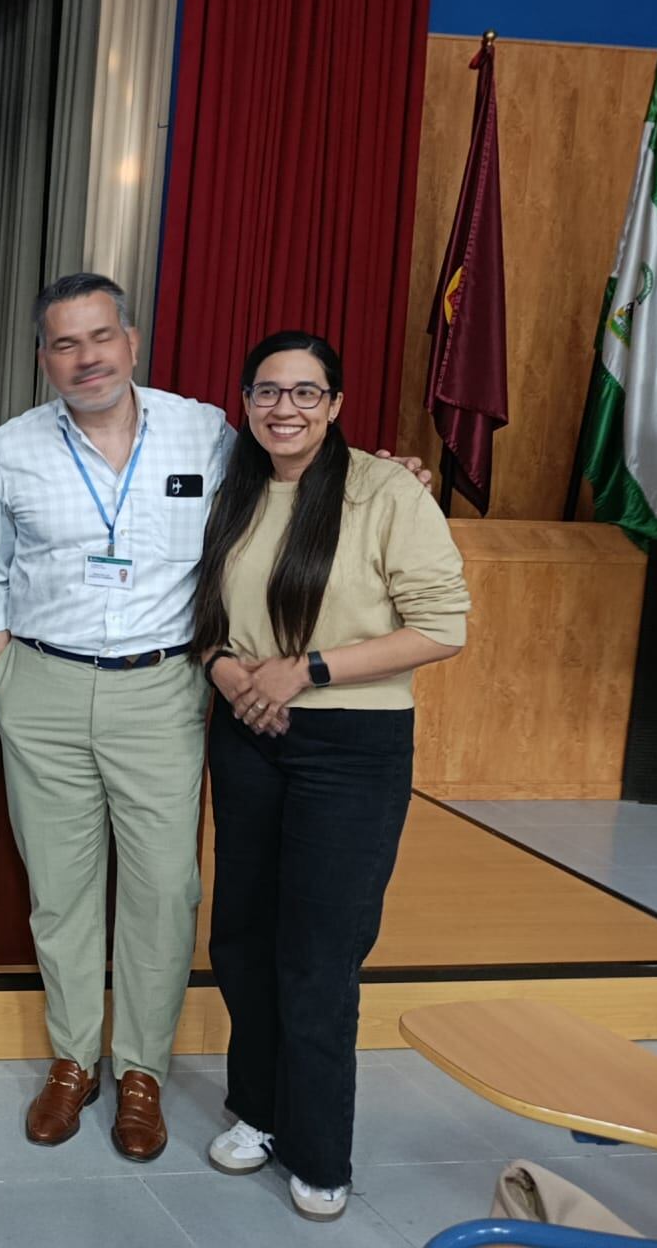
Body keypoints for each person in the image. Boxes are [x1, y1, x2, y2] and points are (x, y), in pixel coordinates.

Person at [0, 272, 427, 1164]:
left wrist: (390, 470)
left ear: (130, 342)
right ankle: (73, 1062)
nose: (85, 357)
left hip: (164, 689)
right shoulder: (13, 448)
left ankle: (140, 1069)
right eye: (64, 343)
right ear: (43, 359)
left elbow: (299, 475)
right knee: (59, 892)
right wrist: (2, 670)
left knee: (163, 889)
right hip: (45, 686)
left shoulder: (204, 431)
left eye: (100, 337)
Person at [193, 332, 467, 1222]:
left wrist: (302, 671)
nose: (285, 409)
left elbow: (442, 626)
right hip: (246, 736)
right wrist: (234, 673)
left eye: (307, 394)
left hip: (351, 746)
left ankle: (319, 1150)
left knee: (318, 956)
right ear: (244, 400)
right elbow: (200, 611)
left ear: (338, 405)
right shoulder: (233, 487)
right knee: (241, 936)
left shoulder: (385, 490)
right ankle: (259, 1112)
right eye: (269, 391)